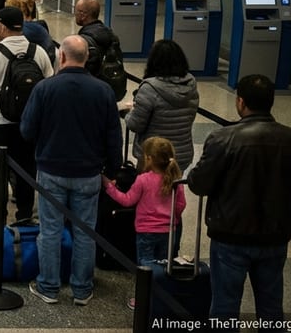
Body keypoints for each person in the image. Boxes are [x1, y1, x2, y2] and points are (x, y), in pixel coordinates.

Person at [20, 35, 122, 306]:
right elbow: (114, 136)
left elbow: (27, 130)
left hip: (51, 170)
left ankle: (49, 287)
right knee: (85, 233)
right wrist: (113, 170)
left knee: (50, 230)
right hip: (89, 173)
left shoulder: (44, 88)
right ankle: (82, 289)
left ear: (61, 56)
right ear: (86, 58)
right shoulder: (103, 91)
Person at [187, 74, 291, 326]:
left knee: (225, 304)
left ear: (241, 102)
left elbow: (199, 184)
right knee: (271, 304)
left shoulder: (223, 139)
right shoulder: (287, 138)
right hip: (275, 234)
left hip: (230, 234)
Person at [0, 6, 54, 223]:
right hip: (29, 124)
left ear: (1, 27)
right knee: (26, 171)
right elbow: (49, 86)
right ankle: (24, 216)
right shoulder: (38, 52)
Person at [102, 136, 185, 309]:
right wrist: (173, 219)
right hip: (168, 230)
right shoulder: (176, 180)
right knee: (164, 265)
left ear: (149, 159)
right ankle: (162, 297)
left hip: (145, 231)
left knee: (145, 265)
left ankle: (143, 298)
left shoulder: (143, 180)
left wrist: (110, 187)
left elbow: (127, 200)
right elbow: (180, 205)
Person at [124, 39, 198, 171]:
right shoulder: (191, 86)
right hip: (181, 155)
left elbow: (135, 125)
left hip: (153, 156)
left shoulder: (149, 89)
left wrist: (129, 113)